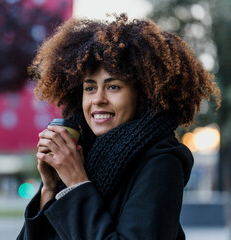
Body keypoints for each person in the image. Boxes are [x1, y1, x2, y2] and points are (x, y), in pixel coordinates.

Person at [17, 14, 221, 240]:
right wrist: (50, 189)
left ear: (144, 96)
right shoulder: (79, 154)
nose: (98, 99)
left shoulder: (162, 162)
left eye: (113, 87)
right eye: (90, 88)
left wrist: (76, 184)